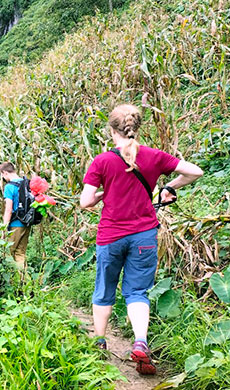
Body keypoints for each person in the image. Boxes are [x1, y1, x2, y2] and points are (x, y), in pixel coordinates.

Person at [79, 104, 203, 375]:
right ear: (137, 128)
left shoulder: (102, 161)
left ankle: (99, 343)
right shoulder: (154, 156)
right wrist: (169, 186)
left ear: (112, 131)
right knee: (137, 292)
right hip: (144, 236)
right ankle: (140, 342)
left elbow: (85, 201)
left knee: (104, 290)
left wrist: (102, 195)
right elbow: (195, 171)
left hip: (111, 236)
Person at [0, 162, 30, 268]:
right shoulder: (27, 183)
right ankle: (26, 281)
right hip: (27, 223)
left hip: (15, 224)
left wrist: (4, 229)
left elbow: (8, 210)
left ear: (5, 172)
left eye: (2, 175)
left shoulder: (9, 187)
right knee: (20, 253)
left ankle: (15, 282)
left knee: (8, 253)